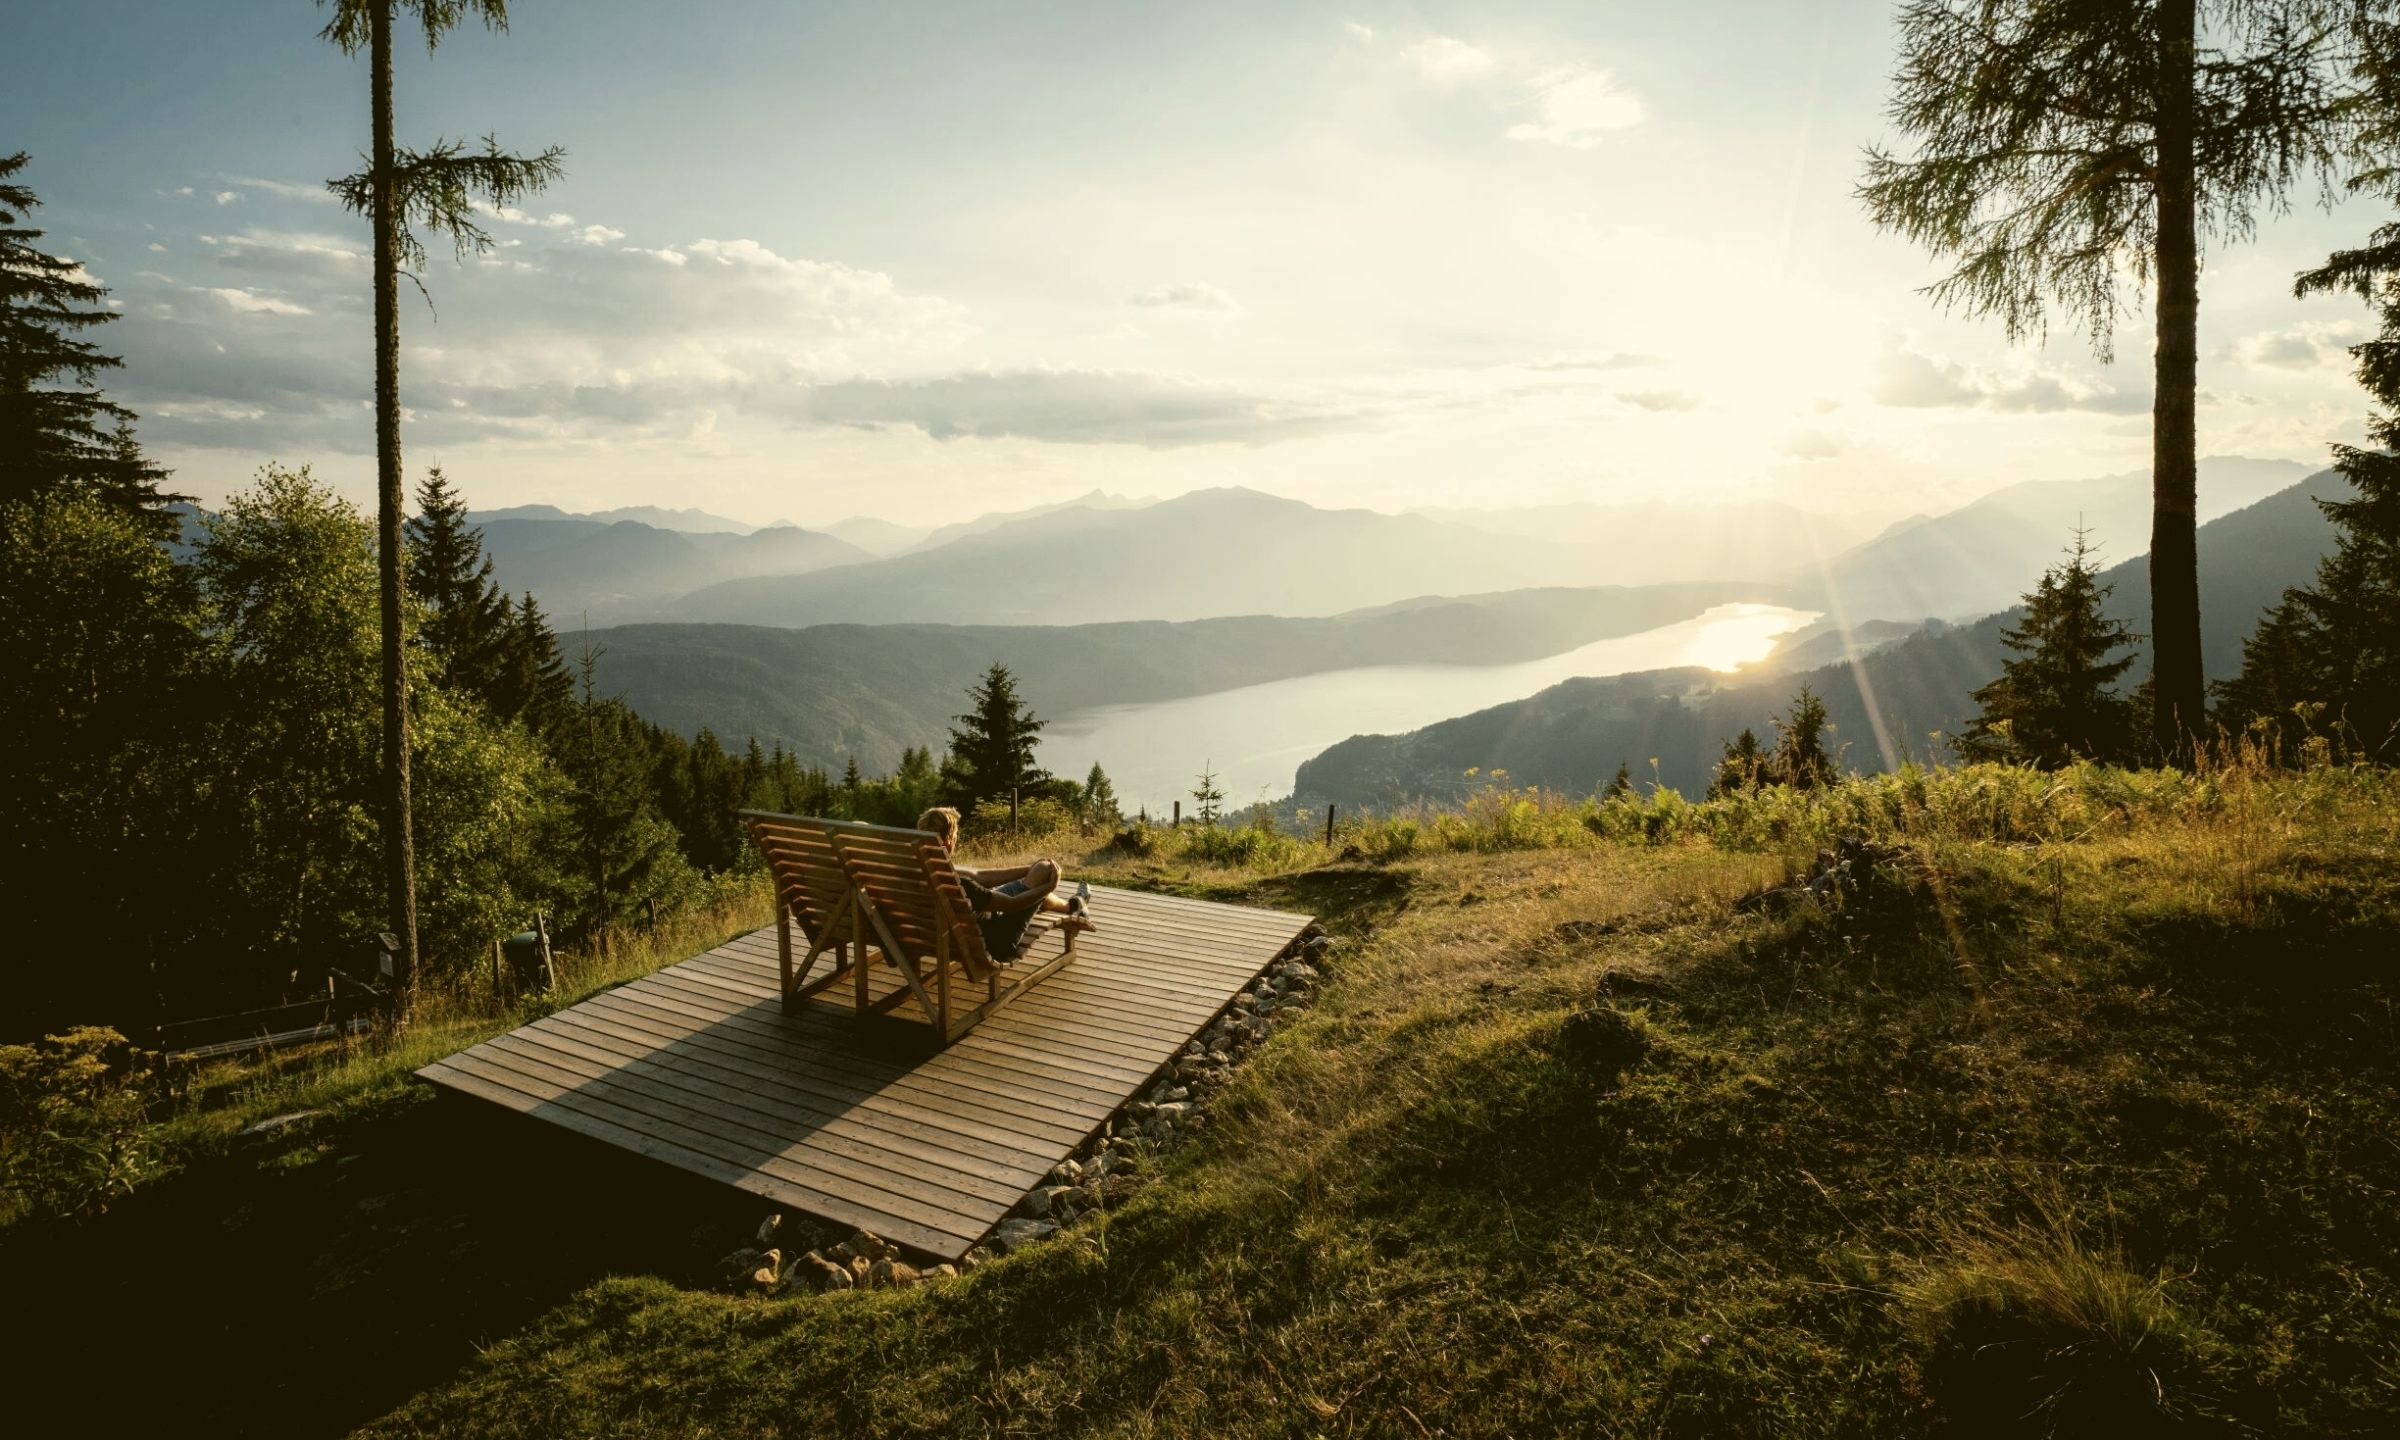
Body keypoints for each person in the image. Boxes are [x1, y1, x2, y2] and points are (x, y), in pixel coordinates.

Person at [916, 807, 1094, 962]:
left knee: (1040, 871)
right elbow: (1012, 905)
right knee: (1045, 873)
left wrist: (1030, 869)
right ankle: (1074, 906)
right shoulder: (959, 885)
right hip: (996, 939)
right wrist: (1048, 887)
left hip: (945, 938)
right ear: (948, 839)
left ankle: (1073, 906)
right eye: (955, 835)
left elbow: (979, 876)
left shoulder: (920, 872)